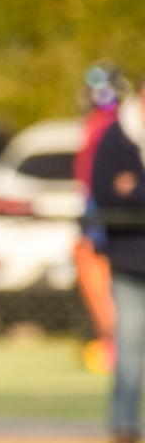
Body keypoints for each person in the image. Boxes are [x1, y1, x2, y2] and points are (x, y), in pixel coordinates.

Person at [91, 90, 145, 443]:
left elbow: (126, 191)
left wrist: (134, 187)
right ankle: (123, 426)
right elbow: (105, 193)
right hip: (129, 256)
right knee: (128, 343)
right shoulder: (116, 135)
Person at [74, 63, 128, 375]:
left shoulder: (114, 124)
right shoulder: (95, 122)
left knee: (107, 276)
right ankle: (111, 342)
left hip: (107, 211)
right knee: (95, 274)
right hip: (94, 208)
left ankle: (116, 343)